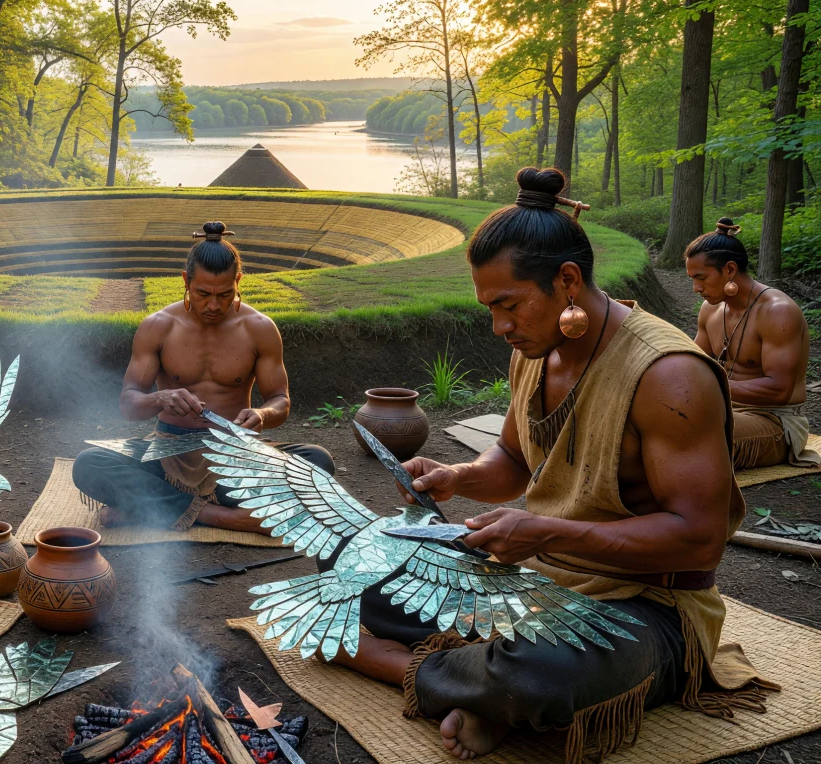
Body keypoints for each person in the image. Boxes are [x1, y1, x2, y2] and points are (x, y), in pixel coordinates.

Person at [328, 169, 773, 763]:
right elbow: (512, 458)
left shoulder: (670, 375)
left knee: (540, 670)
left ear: (567, 281)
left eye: (508, 305)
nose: (499, 327)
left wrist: (545, 531)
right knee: (351, 564)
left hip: (645, 607)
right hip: (537, 580)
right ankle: (478, 689)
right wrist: (457, 478)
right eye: (490, 309)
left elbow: (699, 541)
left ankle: (398, 664)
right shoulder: (536, 351)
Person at [72, 221, 334, 533]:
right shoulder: (158, 326)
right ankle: (223, 517)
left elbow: (281, 401)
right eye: (203, 293)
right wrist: (161, 398)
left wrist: (262, 414)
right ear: (185, 281)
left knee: (318, 463)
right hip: (168, 452)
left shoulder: (260, 329)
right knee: (90, 464)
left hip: (235, 455)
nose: (213, 305)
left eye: (225, 294)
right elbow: (129, 405)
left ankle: (153, 508)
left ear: (238, 280)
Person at [686, 218, 818, 470]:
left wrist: (710, 383)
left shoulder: (778, 312)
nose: (696, 288)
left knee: (690, 432)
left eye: (701, 278)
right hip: (722, 408)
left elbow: (779, 390)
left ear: (730, 270)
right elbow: (693, 364)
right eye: (692, 278)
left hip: (775, 420)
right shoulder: (710, 310)